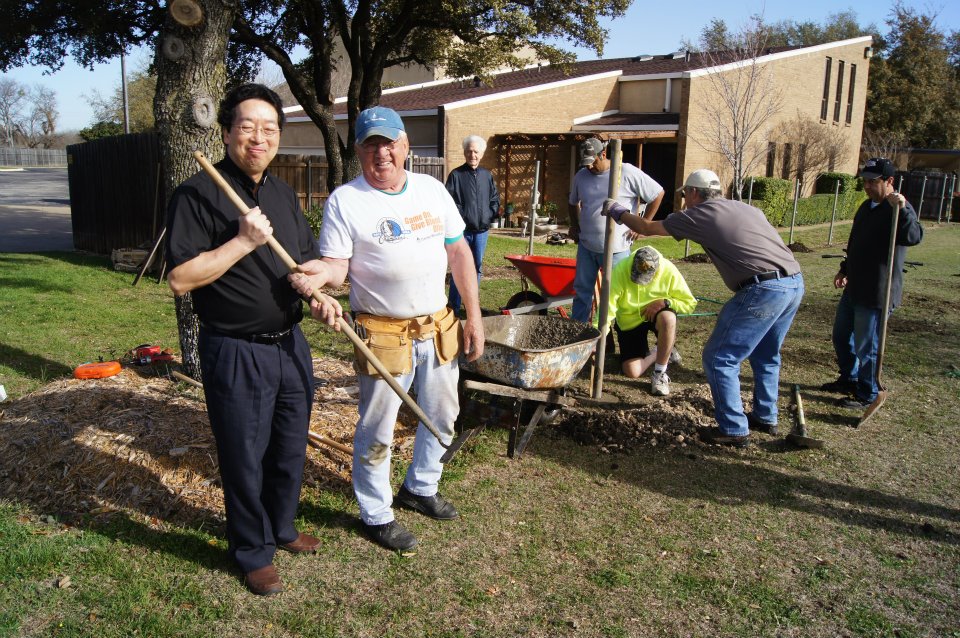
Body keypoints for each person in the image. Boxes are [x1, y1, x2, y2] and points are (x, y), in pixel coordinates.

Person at [289, 106, 485, 553]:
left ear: (405, 146)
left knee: (442, 415)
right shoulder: (346, 200)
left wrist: (472, 316)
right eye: (371, 144)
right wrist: (318, 277)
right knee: (377, 427)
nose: (382, 153)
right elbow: (338, 267)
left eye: (389, 142)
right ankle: (376, 513)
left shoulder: (433, 191)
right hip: (383, 334)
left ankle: (420, 486)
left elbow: (459, 256)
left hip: (438, 326)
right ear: (358, 150)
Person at [165, 84, 322, 596]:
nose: (260, 137)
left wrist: (317, 288)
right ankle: (252, 549)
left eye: (270, 128)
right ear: (228, 131)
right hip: (235, 349)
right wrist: (241, 241)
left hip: (289, 343)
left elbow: (298, 261)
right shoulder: (196, 193)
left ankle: (281, 526)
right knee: (244, 453)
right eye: (249, 126)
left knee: (288, 447)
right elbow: (182, 278)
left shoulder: (280, 193)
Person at [605, 169, 803, 447]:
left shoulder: (700, 214)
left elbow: (647, 228)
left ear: (694, 193)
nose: (685, 201)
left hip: (762, 289)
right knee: (766, 353)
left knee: (719, 357)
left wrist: (618, 211)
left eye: (685, 195)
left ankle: (733, 429)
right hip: (793, 282)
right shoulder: (743, 207)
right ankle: (764, 415)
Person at [821, 157, 922, 409]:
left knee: (868, 346)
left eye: (872, 182)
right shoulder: (866, 208)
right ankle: (850, 378)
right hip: (855, 286)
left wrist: (905, 207)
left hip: (878, 291)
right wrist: (844, 269)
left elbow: (914, 237)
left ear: (889, 181)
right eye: (864, 181)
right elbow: (855, 243)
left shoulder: (897, 210)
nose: (866, 186)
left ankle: (868, 393)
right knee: (841, 337)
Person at [568, 137, 664, 323]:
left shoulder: (625, 172)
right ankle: (577, 334)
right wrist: (575, 224)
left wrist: (643, 224)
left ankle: (616, 334)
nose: (589, 167)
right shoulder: (581, 176)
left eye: (593, 162)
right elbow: (572, 203)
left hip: (617, 248)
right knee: (582, 292)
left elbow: (657, 193)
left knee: (618, 293)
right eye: (585, 163)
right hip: (587, 246)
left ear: (603, 154)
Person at [599, 243, 697, 395]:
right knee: (632, 371)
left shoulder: (669, 269)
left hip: (657, 316)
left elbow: (689, 304)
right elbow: (608, 307)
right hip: (629, 320)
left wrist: (665, 302)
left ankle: (660, 373)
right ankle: (662, 350)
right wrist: (598, 334)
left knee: (668, 318)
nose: (641, 281)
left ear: (657, 270)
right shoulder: (620, 269)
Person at [445, 134, 500, 314]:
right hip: (462, 232)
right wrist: (463, 217)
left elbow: (494, 199)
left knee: (476, 267)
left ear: (481, 154)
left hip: (481, 232)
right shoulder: (456, 175)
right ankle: (454, 306)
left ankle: (471, 305)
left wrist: (489, 214)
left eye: (476, 152)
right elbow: (450, 201)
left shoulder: (487, 175)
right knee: (459, 267)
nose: (472, 155)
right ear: (464, 153)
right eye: (469, 151)